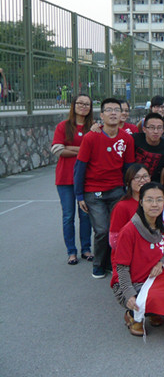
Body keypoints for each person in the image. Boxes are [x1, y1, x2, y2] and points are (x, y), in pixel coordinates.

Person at [74, 98, 135, 279]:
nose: (113, 113)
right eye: (108, 110)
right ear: (101, 115)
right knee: (101, 230)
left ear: (122, 114)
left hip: (117, 190)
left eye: (117, 109)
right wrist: (79, 195)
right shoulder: (91, 137)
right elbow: (80, 167)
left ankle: (114, 262)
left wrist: (130, 192)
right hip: (94, 192)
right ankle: (98, 264)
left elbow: (129, 167)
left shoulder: (127, 138)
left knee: (118, 229)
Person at [111, 182, 164, 336]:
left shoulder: (162, 226)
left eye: (159, 200)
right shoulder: (129, 231)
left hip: (153, 279)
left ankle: (152, 310)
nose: (155, 204)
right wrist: (129, 294)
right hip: (132, 283)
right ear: (141, 202)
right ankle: (133, 316)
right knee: (155, 298)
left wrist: (160, 263)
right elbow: (121, 268)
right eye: (149, 200)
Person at [51, 93, 94, 265]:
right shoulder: (63, 126)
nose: (83, 106)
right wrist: (83, 149)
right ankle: (71, 251)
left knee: (85, 215)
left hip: (86, 178)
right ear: (74, 105)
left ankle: (86, 249)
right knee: (68, 216)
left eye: (87, 104)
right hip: (65, 178)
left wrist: (71, 148)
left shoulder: (94, 128)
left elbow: (95, 151)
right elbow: (58, 150)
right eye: (80, 103)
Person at [109, 164, 151, 272]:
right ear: (128, 182)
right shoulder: (122, 206)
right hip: (128, 259)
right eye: (137, 177)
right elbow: (114, 241)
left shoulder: (156, 204)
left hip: (151, 257)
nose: (142, 180)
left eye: (145, 176)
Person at [133, 112, 164, 181]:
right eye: (152, 127)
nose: (156, 131)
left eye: (159, 128)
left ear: (163, 130)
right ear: (144, 129)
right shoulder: (135, 139)